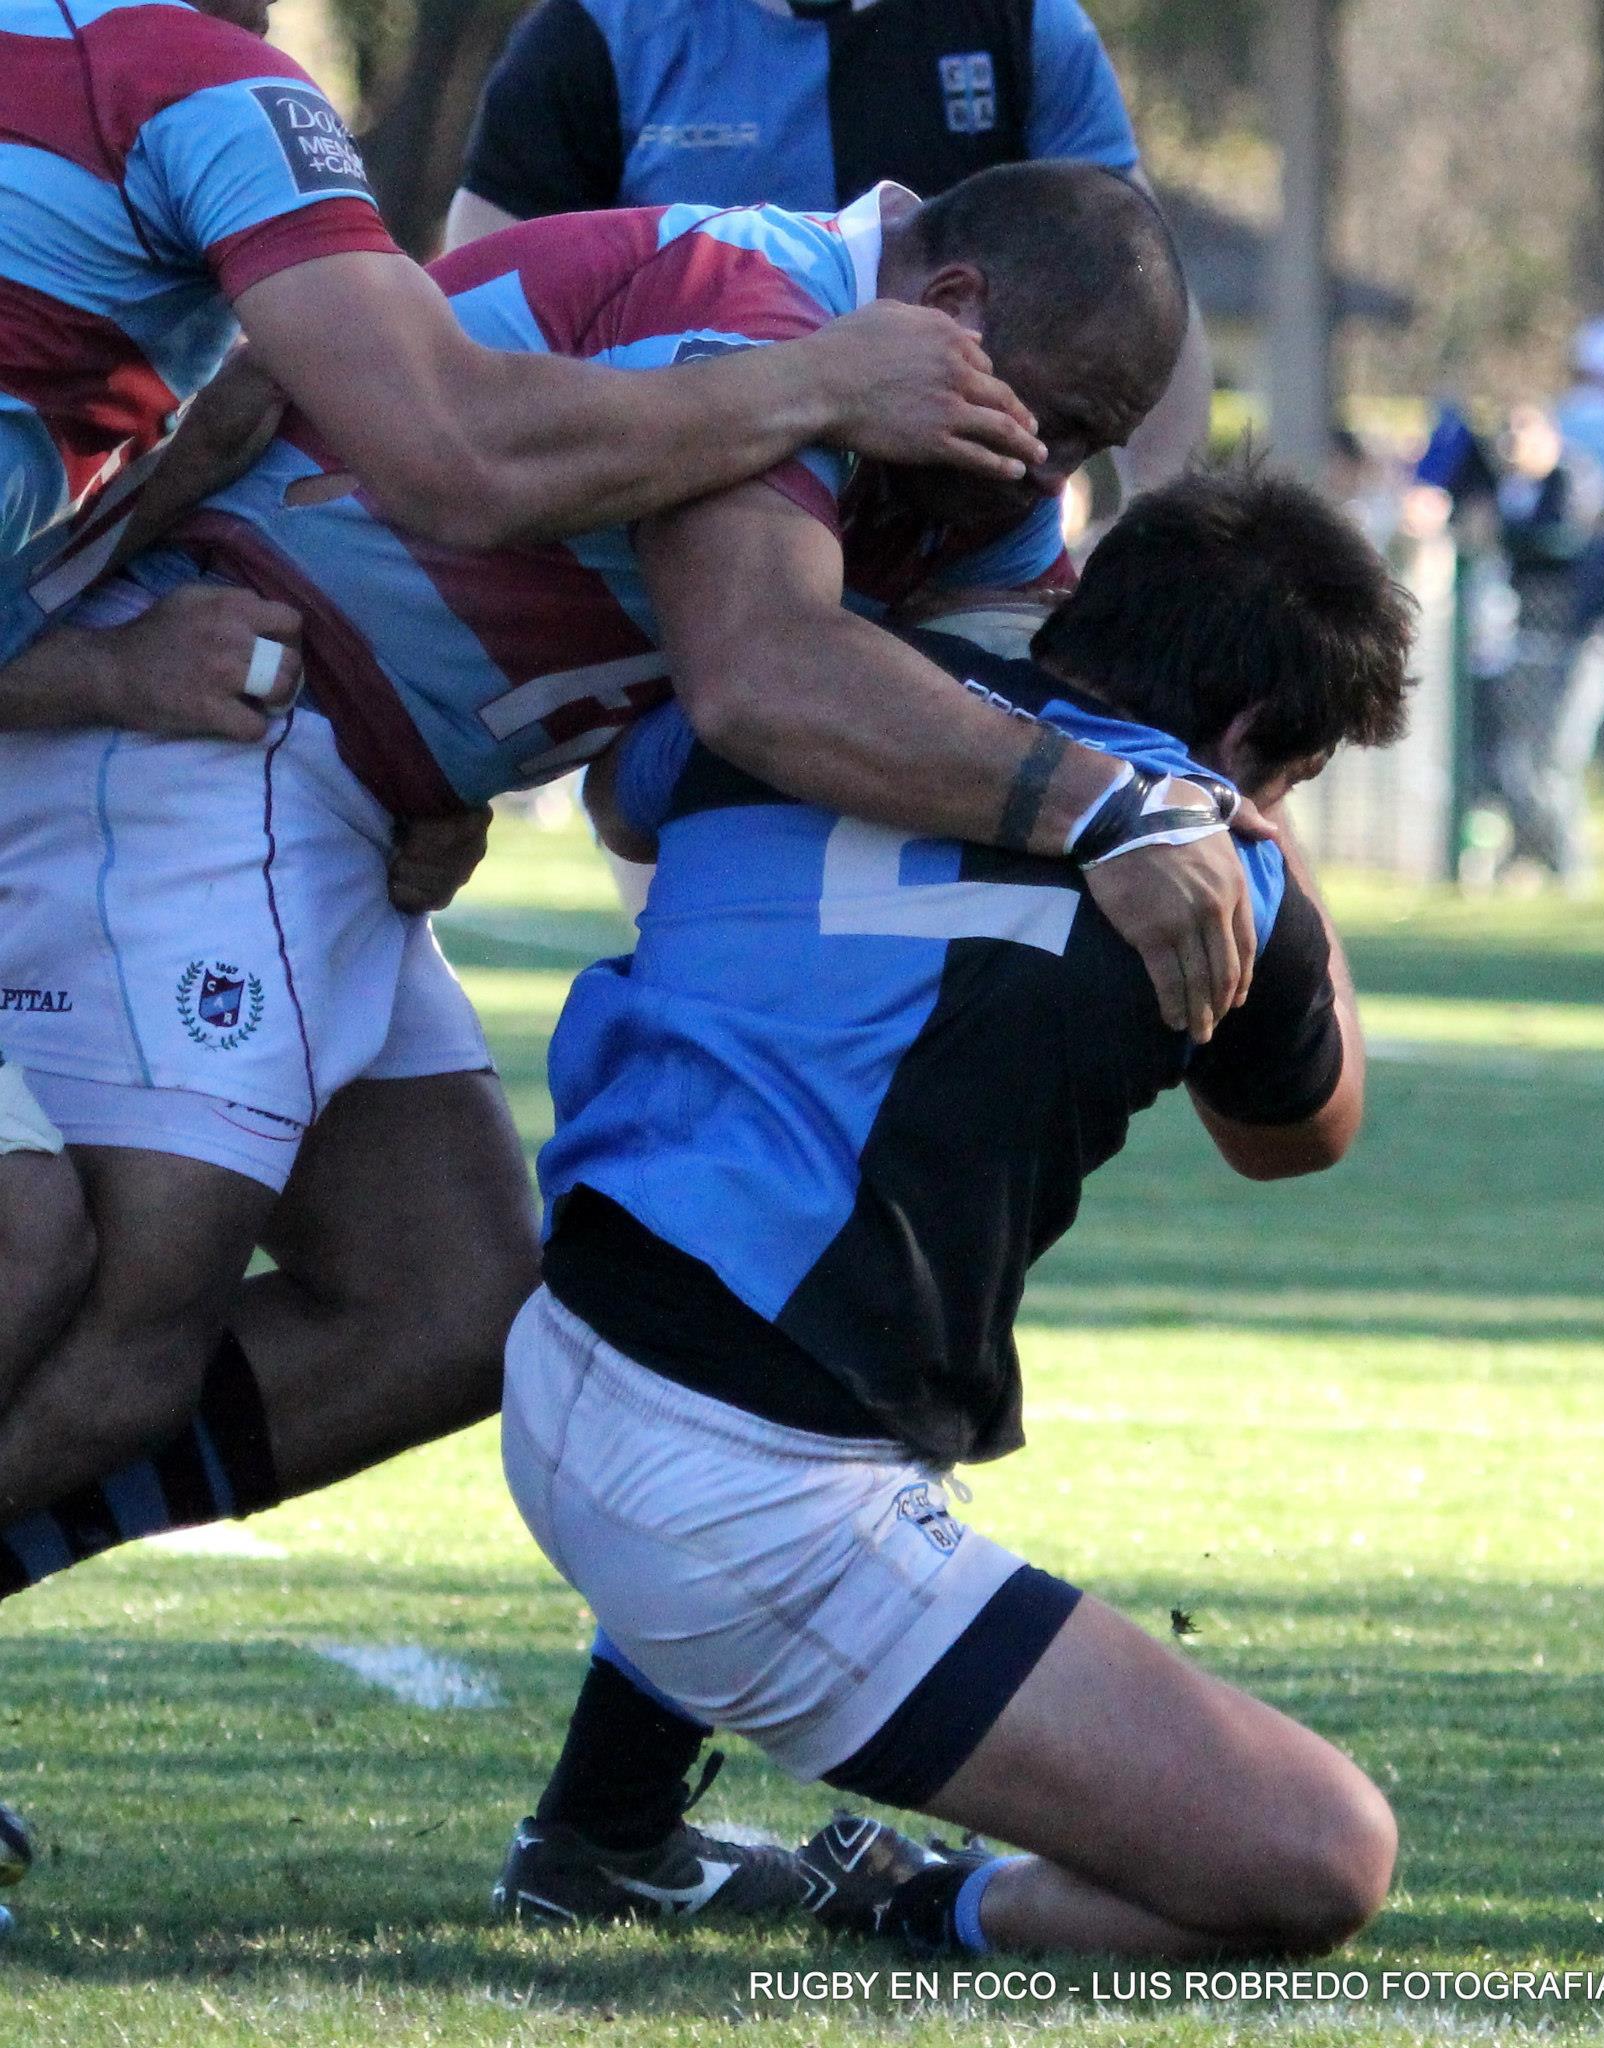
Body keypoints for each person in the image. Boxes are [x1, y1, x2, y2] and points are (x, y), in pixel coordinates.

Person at [0, 175, 1259, 1912]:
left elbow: (689, 773)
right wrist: (1112, 808)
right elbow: (756, 680)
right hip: (219, 715)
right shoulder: (768, 314)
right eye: (1056, 416)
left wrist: (1200, 808)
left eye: (1095, 443)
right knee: (126, 1309)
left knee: (449, 1307)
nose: (1049, 471)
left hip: (355, 792)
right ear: (948, 301)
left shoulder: (941, 460)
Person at [0, 0, 1043, 1462]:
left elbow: (279, 426)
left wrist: (427, 731)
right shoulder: (201, 89)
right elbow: (455, 458)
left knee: (446, 1299)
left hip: (299, 768)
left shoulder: (167, 109)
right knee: (65, 1264)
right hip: (220, 753)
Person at [495, 467, 1414, 1952]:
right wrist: (1266, 835)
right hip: (743, 1503)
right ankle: (910, 1900)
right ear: (1251, 741)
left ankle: (601, 1830)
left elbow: (632, 793)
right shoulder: (1216, 856)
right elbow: (1299, 1134)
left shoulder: (814, 689)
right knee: (1320, 1853)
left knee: (796, 1288)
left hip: (563, 1357)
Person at [446, 0, 1211, 494]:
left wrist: (1152, 516)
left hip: (943, 513)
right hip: (682, 482)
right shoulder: (593, 31)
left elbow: (1133, 281)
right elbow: (473, 318)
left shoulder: (1022, 24)